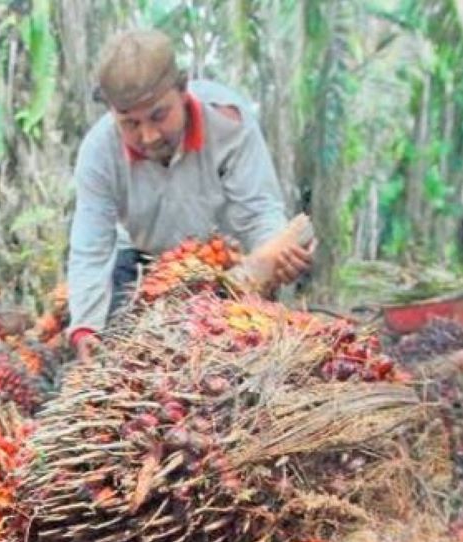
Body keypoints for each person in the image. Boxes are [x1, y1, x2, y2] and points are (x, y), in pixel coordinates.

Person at [66, 29, 312, 361]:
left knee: (243, 359)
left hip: (223, 266)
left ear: (183, 89)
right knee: (127, 357)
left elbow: (258, 213)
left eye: (158, 115)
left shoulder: (229, 124)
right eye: (130, 124)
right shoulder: (98, 153)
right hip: (142, 265)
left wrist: (274, 261)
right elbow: (91, 250)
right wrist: (85, 328)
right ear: (112, 112)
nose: (149, 136)